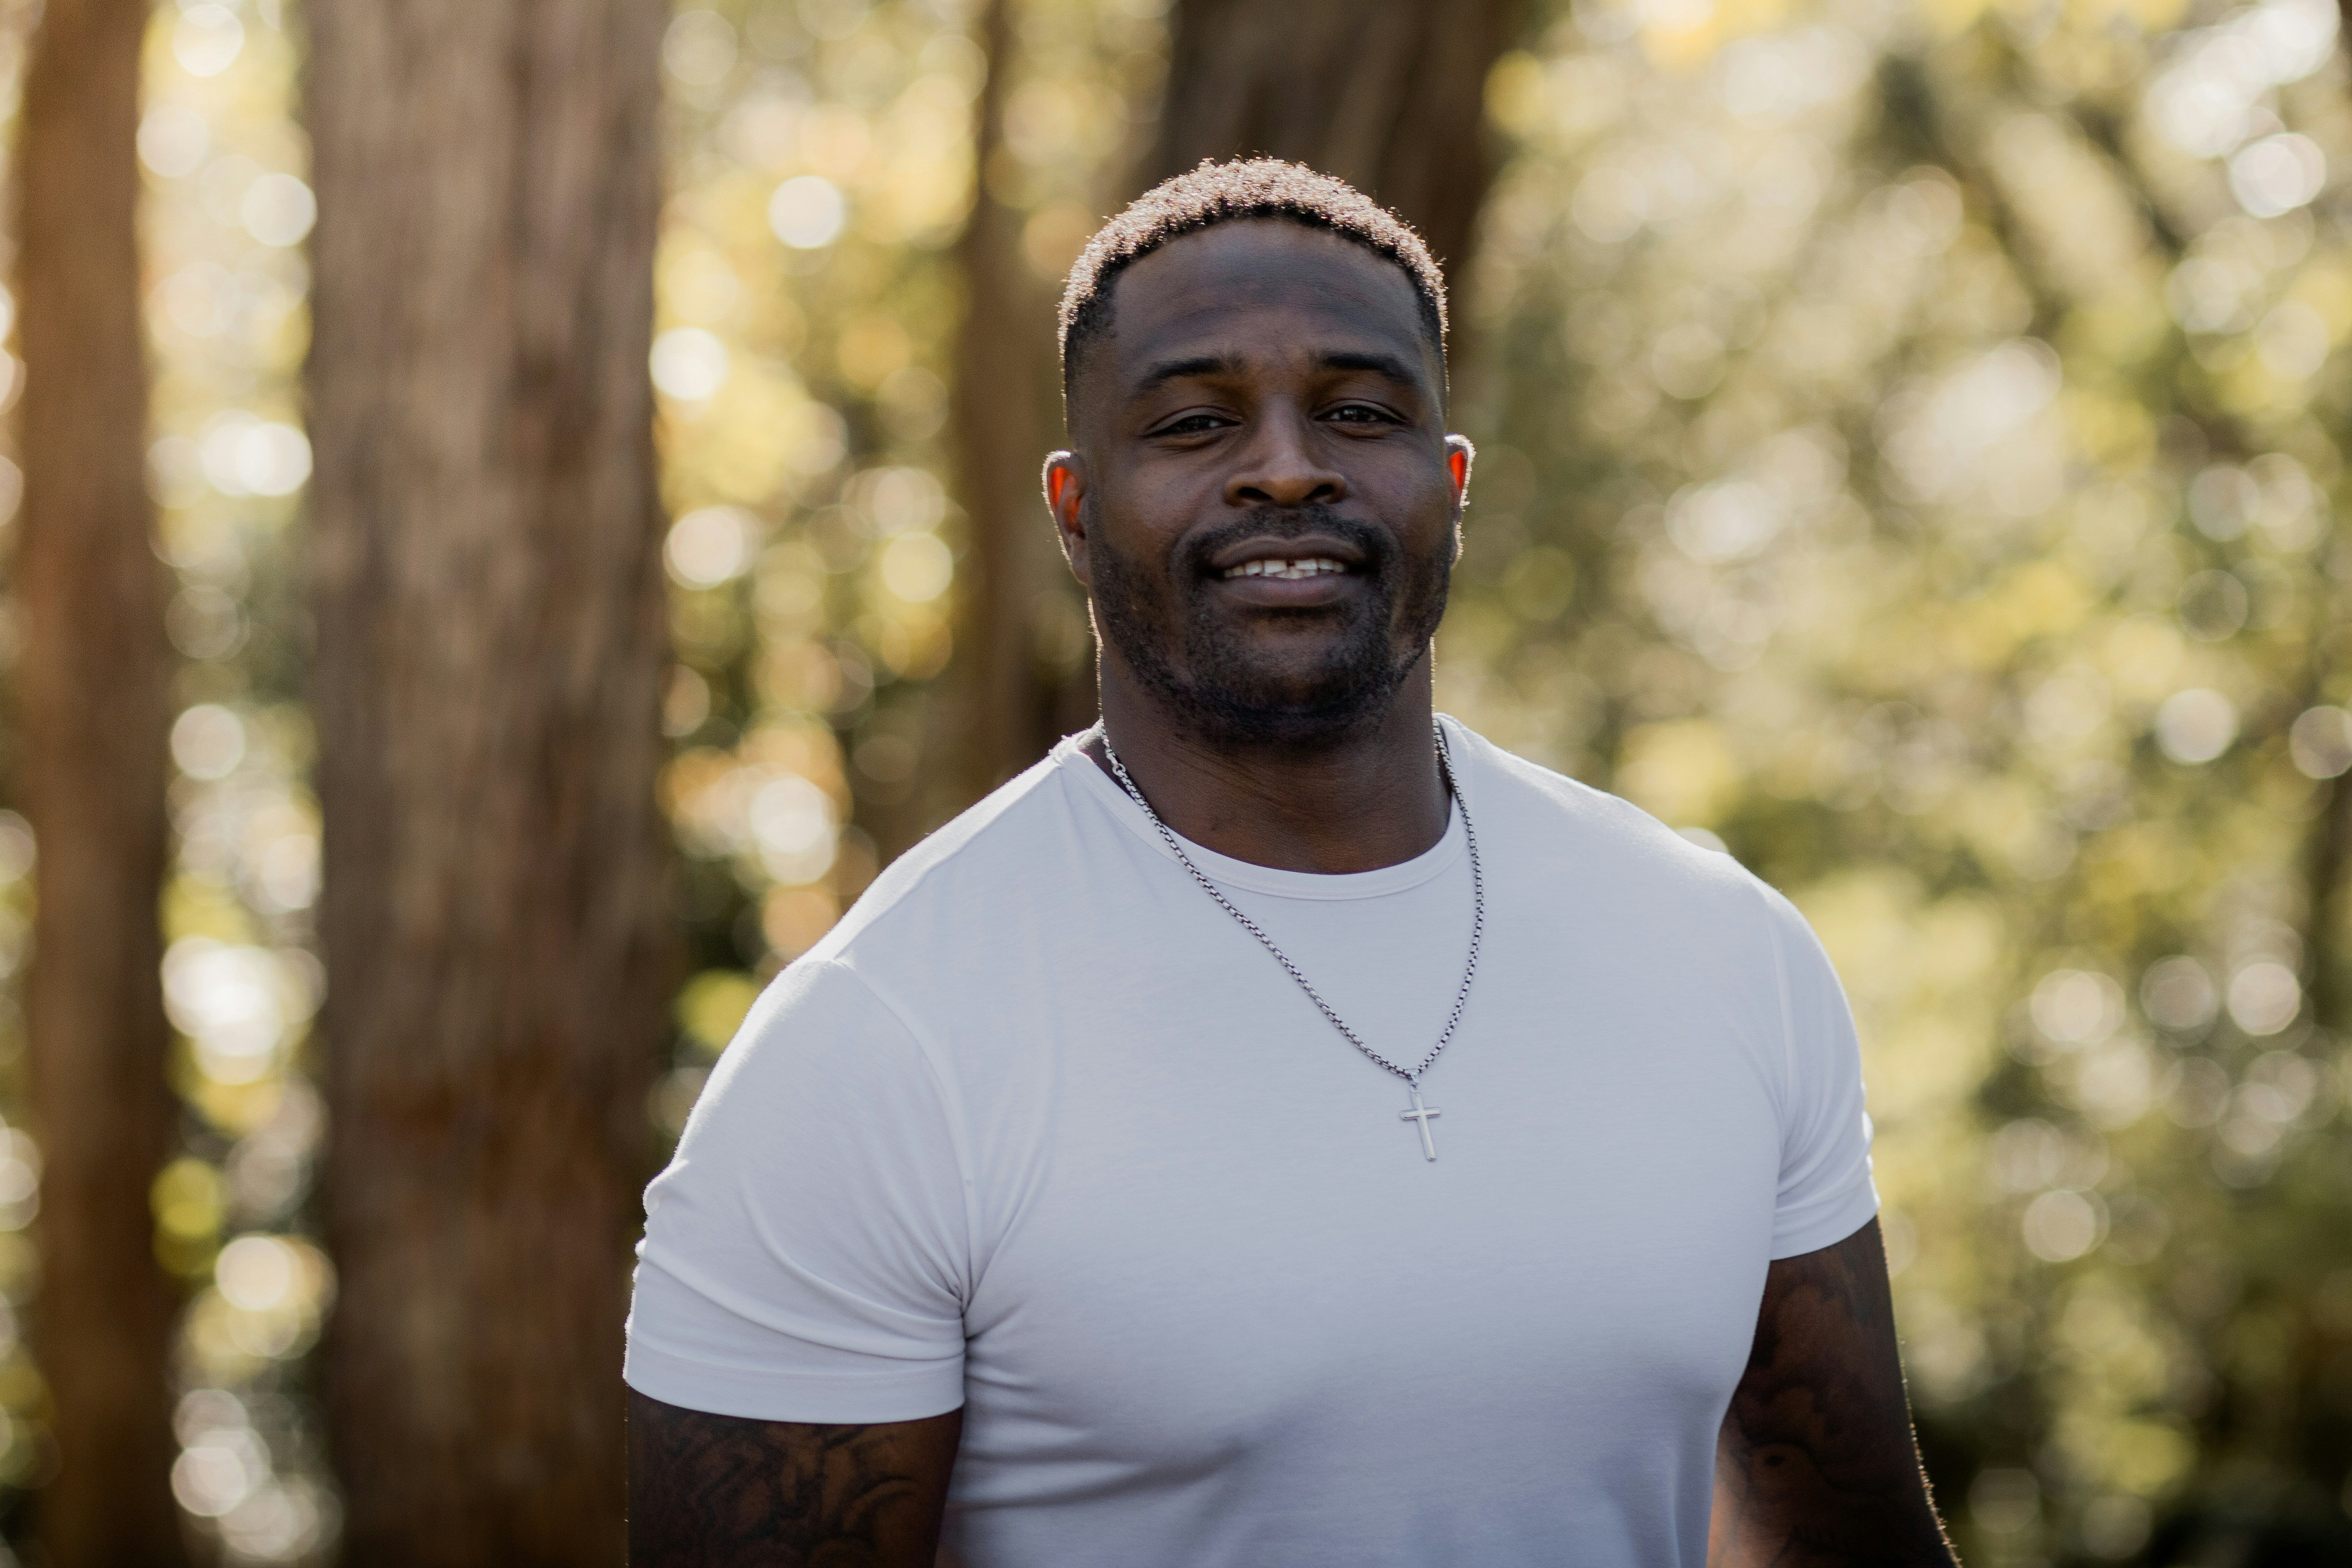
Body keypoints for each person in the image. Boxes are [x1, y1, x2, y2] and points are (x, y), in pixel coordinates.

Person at [624, 158, 1957, 1568]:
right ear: (1075, 513)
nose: (1285, 465)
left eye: (1358, 412)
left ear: (1451, 482)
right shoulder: (873, 1044)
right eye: (1197, 422)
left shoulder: (1723, 952)